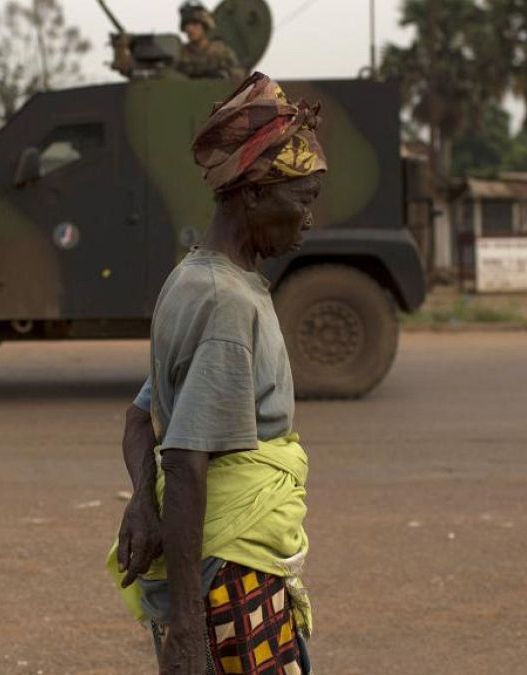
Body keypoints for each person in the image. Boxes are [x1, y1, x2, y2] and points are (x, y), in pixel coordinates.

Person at [108, 72, 326, 675]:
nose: (309, 219)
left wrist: (141, 504)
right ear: (253, 193)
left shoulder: (191, 279)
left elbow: (139, 420)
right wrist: (186, 627)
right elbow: (184, 461)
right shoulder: (229, 303)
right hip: (228, 573)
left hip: (213, 561)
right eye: (301, 199)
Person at [176, 2, 244, 80]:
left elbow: (239, 77)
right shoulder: (180, 54)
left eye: (195, 24)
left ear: (205, 25)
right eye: (186, 25)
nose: (189, 29)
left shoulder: (221, 52)